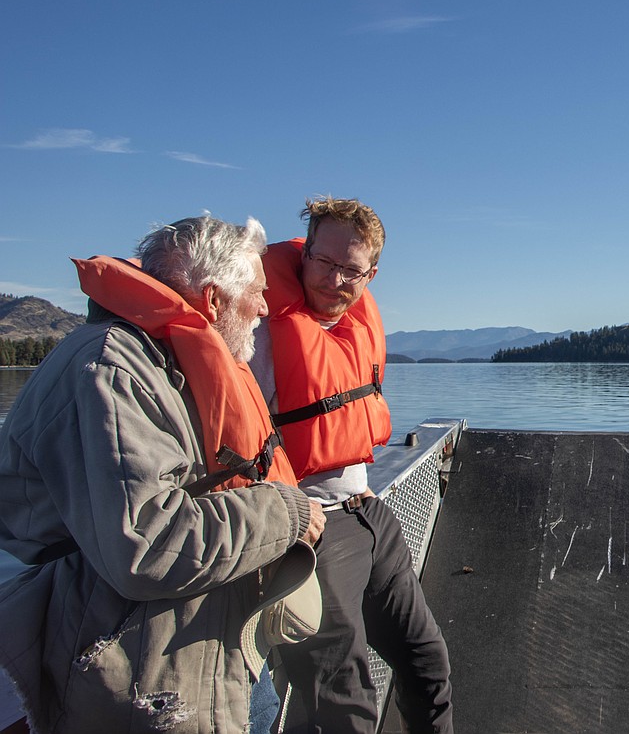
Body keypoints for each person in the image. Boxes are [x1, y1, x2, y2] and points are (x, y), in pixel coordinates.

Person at [0, 216, 326, 733]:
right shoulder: (111, 371)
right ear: (215, 299)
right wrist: (287, 509)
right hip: (139, 673)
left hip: (216, 651)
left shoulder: (166, 361)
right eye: (258, 292)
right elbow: (149, 544)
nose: (266, 306)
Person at [249, 196, 452, 733]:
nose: (335, 279)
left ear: (372, 273)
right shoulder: (261, 337)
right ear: (305, 251)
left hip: (369, 513)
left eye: (351, 270)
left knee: (427, 663)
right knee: (341, 705)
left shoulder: (355, 329)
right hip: (311, 532)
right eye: (324, 261)